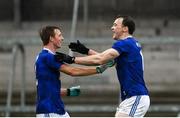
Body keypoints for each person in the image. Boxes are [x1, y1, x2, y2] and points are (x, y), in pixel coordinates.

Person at [55, 15, 150, 117]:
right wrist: (86, 51)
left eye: (115, 25)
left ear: (125, 29)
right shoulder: (130, 45)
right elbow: (106, 59)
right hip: (133, 98)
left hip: (135, 97)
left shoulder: (125, 44)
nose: (112, 28)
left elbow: (100, 59)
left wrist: (72, 59)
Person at [34, 26, 114, 117]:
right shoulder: (47, 57)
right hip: (49, 111)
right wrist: (98, 70)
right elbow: (73, 71)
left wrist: (68, 91)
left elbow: (46, 88)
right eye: (59, 35)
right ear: (51, 38)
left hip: (57, 109)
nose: (62, 38)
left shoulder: (43, 56)